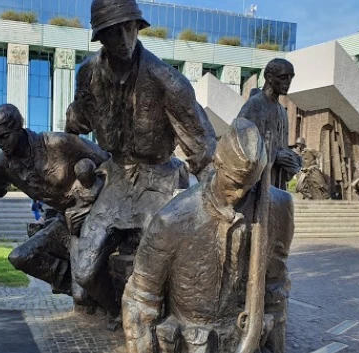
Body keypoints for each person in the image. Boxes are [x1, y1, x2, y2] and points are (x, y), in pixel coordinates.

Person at [65, 0, 216, 315]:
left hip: (157, 179)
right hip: (116, 178)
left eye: (129, 27)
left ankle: (153, 323)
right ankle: (116, 312)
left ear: (138, 26)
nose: (124, 39)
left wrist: (219, 200)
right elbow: (78, 121)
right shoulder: (88, 75)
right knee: (83, 276)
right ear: (100, 36)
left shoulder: (167, 81)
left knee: (155, 266)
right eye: (113, 32)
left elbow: (202, 145)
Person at [122, 118, 294, 353]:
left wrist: (274, 341)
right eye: (234, 183)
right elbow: (140, 301)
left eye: (249, 185)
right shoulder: (173, 220)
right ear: (217, 163)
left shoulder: (278, 206)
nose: (240, 194)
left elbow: (276, 284)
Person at [0, 104, 110, 294]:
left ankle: (91, 293)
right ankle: (76, 286)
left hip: (98, 210)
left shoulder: (58, 143)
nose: (0, 143)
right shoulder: (3, 165)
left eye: (4, 136)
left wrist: (90, 196)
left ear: (18, 127)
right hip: (65, 220)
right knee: (21, 257)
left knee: (87, 279)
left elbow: (107, 162)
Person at [238, 59, 301, 190]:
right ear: (269, 77)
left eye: (291, 77)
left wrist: (292, 159)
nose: (288, 82)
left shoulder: (282, 111)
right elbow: (239, 144)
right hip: (255, 187)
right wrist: (275, 155)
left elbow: (281, 147)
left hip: (276, 183)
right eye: (283, 77)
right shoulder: (255, 105)